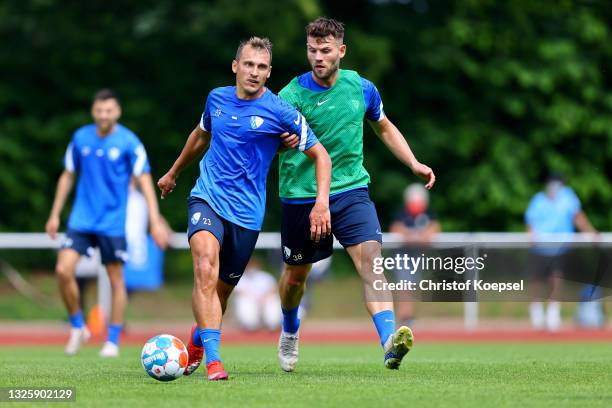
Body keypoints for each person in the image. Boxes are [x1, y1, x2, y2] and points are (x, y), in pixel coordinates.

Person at [157, 37, 331, 381]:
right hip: (207, 197)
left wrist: (321, 203)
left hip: (247, 214)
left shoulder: (281, 112)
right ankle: (214, 362)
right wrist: (173, 172)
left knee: (220, 293)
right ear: (236, 66)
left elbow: (320, 155)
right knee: (204, 266)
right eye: (248, 64)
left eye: (262, 67)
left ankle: (196, 341)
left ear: (269, 73)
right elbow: (200, 135)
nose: (254, 72)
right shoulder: (216, 99)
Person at [276, 17, 435, 372]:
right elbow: (263, 143)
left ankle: (390, 343)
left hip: (350, 191)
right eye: (312, 50)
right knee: (294, 279)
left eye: (325, 50)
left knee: (372, 262)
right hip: (301, 197)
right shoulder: (289, 96)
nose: (318, 57)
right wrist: (278, 143)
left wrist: (413, 162)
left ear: (341, 52)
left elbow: (384, 126)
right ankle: (289, 327)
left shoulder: (361, 88)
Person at [45, 89, 168, 357]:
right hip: (81, 219)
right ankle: (78, 325)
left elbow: (145, 180)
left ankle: (112, 339)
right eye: (99, 110)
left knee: (116, 280)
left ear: (118, 112)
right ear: (93, 111)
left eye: (109, 110)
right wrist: (54, 214)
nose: (104, 115)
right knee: (64, 270)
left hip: (112, 222)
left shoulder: (129, 142)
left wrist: (155, 220)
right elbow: (67, 175)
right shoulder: (80, 138)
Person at [525, 173, 597, 331]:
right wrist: (531, 237)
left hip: (560, 248)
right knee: (535, 280)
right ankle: (536, 313)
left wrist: (591, 233)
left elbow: (578, 217)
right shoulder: (538, 200)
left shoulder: (568, 197)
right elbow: (530, 222)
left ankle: (553, 314)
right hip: (540, 248)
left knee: (556, 279)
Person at [389, 183, 440, 326]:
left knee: (412, 286)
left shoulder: (428, 214)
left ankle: (408, 317)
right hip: (402, 256)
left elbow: (434, 229)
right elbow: (396, 229)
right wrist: (413, 236)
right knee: (404, 286)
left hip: (418, 256)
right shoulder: (401, 214)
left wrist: (418, 236)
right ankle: (404, 318)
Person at [232, 257, 282, 331]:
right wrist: (254, 299)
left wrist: (264, 298)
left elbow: (274, 288)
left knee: (274, 302)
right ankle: (251, 324)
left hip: (266, 300)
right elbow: (239, 291)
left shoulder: (266, 277)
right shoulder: (241, 278)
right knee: (244, 302)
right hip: (250, 301)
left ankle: (272, 323)